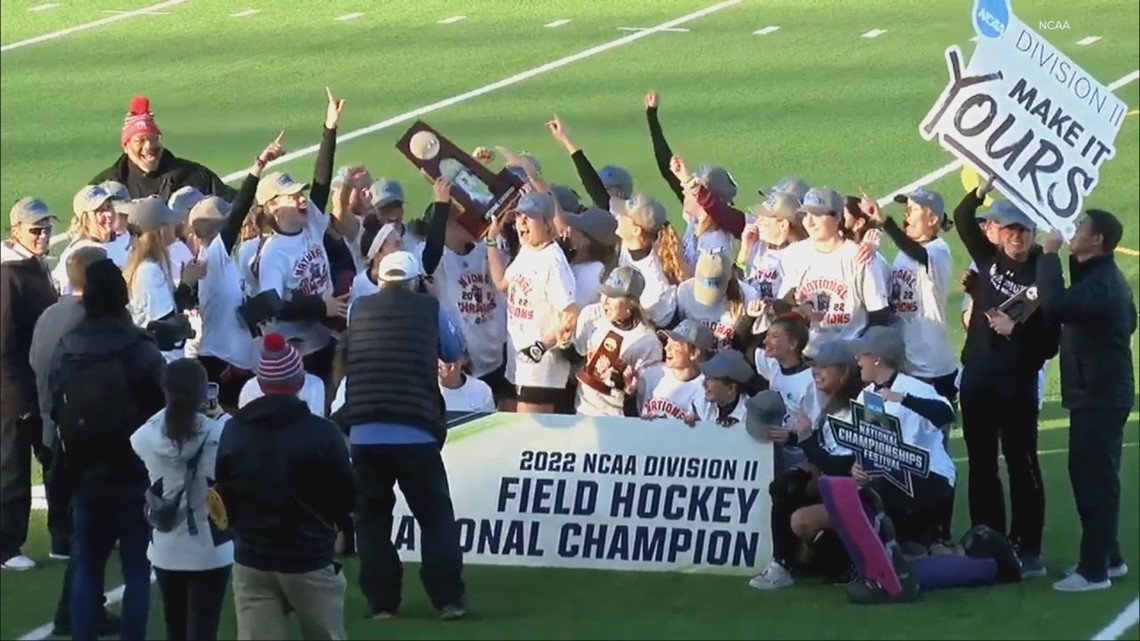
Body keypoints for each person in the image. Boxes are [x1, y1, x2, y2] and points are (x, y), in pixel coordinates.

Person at [340, 250, 468, 620]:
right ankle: (448, 599)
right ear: (416, 282)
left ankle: (382, 604)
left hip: (364, 432)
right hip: (416, 430)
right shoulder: (430, 309)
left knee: (373, 520)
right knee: (434, 517)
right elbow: (452, 351)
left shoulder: (357, 309)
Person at [48, 258, 167, 641]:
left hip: (84, 470)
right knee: (136, 569)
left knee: (87, 567)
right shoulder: (139, 347)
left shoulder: (67, 347)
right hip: (135, 470)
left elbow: (54, 406)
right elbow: (165, 407)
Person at [215, 333, 355, 640]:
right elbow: (346, 495)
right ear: (299, 380)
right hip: (307, 556)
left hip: (252, 556)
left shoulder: (234, 430)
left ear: (262, 384)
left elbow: (222, 493)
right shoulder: (322, 434)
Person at [953, 179, 1060, 578]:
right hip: (978, 378)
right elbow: (963, 218)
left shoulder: (1044, 272)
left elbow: (1051, 343)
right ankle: (988, 538)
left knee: (1022, 462)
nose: (1016, 236)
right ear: (997, 231)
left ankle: (1028, 547)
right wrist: (982, 187)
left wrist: (1015, 332)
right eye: (1009, 229)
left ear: (1034, 234)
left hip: (1016, 383)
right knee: (981, 464)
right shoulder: (987, 258)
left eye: (1023, 230)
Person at [1036, 212, 1136, 592]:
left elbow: (1055, 306)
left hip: (1099, 395)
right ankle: (1108, 559)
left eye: (1080, 229)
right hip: (1098, 392)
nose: (1071, 232)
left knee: (1095, 481)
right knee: (1093, 477)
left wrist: (1049, 255)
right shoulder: (1102, 279)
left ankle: (1093, 571)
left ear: (1098, 241)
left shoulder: (1101, 286)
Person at [130, 359, 232, 640]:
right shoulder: (220, 433)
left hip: (166, 546)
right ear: (203, 392)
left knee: (174, 627)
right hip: (211, 547)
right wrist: (221, 415)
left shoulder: (145, 436)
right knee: (204, 630)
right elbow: (240, 443)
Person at [1, 197, 59, 571]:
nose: (42, 235)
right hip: (16, 390)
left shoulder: (34, 267)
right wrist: (15, 394)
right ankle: (6, 547)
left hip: (39, 384)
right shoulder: (9, 276)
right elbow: (4, 342)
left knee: (53, 460)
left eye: (47, 228)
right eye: (35, 229)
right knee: (12, 468)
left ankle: (63, 535)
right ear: (16, 231)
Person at [90, 95, 235, 201]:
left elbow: (233, 203)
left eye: (154, 139)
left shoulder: (194, 176)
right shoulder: (105, 185)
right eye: (140, 141)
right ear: (126, 146)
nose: (149, 146)